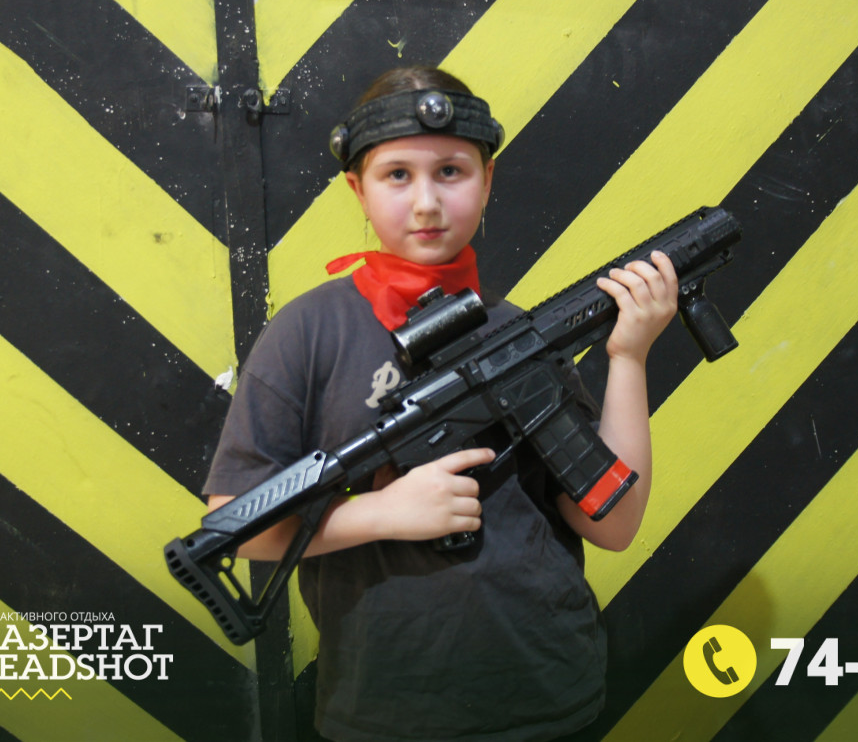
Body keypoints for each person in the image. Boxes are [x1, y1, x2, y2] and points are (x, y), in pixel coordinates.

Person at [203, 66, 679, 741]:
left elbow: (614, 524)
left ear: (487, 181)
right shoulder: (307, 333)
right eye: (397, 175)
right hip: (385, 707)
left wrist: (629, 357)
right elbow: (233, 525)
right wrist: (381, 513)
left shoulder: (519, 334)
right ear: (357, 189)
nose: (426, 202)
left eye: (451, 172)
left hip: (550, 690)